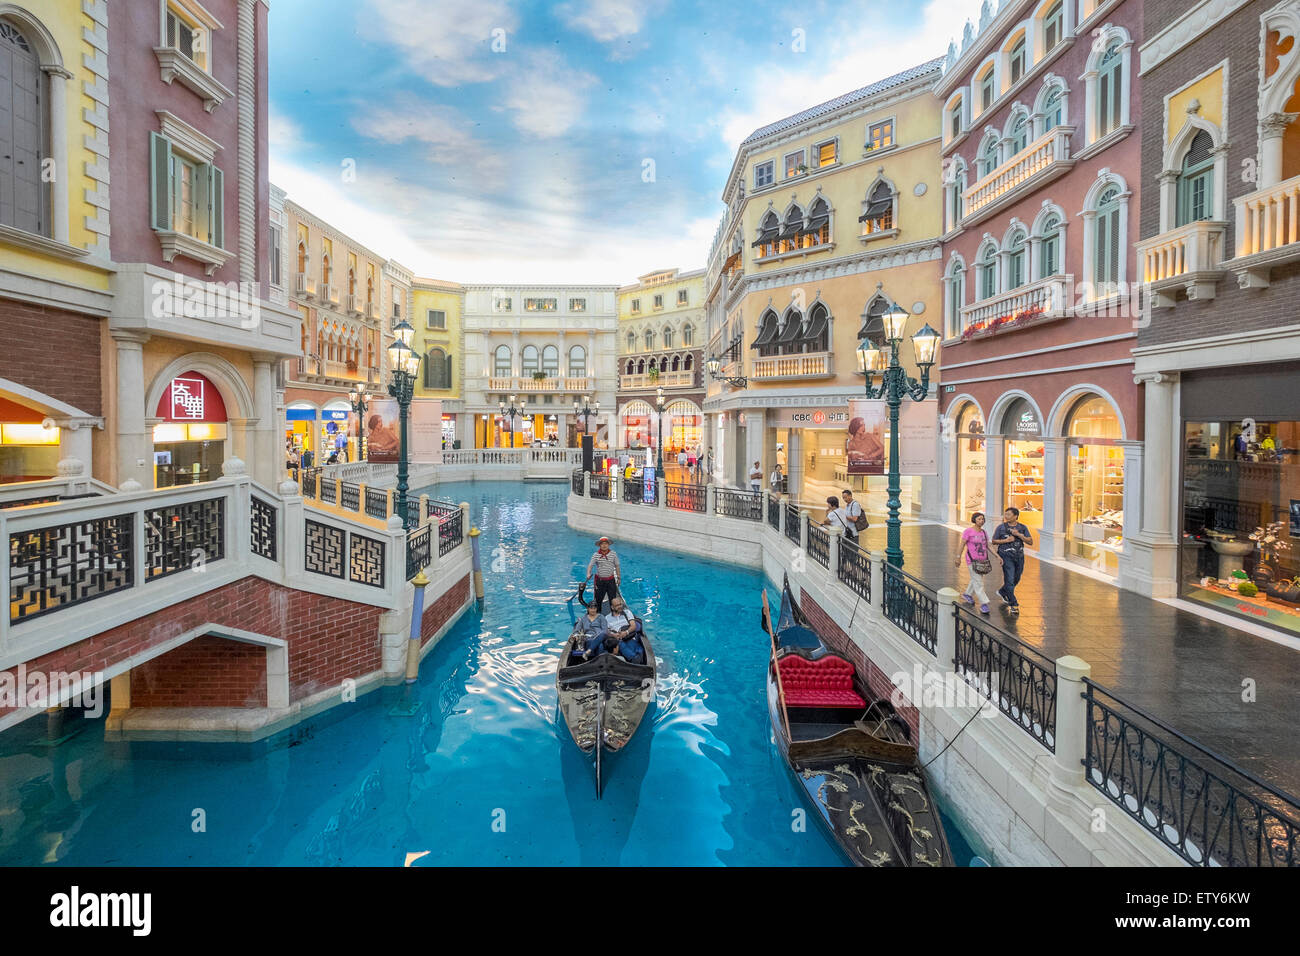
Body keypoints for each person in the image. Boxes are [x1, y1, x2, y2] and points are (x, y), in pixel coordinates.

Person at [991, 506, 1033, 614]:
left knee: (1016, 578)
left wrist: (1019, 535)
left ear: (1016, 516)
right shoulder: (1001, 527)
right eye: (1005, 514)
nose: (1006, 516)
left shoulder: (1022, 528)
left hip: (1019, 556)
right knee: (1009, 579)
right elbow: (994, 541)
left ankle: (1002, 591)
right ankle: (1013, 604)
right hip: (1006, 555)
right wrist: (1006, 540)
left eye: (1009, 515)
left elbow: (1030, 541)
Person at [955, 512, 992, 614]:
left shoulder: (984, 532)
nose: (981, 521)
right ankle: (984, 603)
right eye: (979, 519)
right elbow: (962, 545)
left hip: (982, 561)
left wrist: (997, 556)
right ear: (974, 520)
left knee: (976, 579)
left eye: (983, 519)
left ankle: (968, 594)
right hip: (971, 560)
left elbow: (988, 545)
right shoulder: (968, 531)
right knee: (979, 582)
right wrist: (958, 557)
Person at [585, 536, 622, 614]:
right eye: (602, 544)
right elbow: (590, 565)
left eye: (606, 543)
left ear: (608, 545)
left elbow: (617, 566)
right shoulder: (596, 555)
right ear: (600, 545)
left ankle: (614, 615)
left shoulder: (613, 554)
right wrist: (588, 573)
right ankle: (598, 615)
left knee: (613, 599)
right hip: (600, 581)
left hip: (611, 580)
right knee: (598, 599)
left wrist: (619, 577)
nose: (604, 545)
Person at [603, 597, 646, 664]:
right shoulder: (607, 618)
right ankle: (633, 659)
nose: (620, 606)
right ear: (612, 607)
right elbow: (606, 631)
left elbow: (633, 626)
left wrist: (626, 632)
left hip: (628, 637)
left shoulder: (627, 612)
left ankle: (634, 659)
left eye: (620, 604)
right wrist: (613, 635)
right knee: (618, 643)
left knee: (637, 650)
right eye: (617, 605)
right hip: (616, 639)